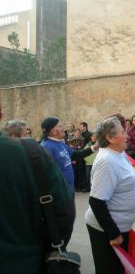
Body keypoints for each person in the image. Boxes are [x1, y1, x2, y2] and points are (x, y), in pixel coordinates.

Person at [0, 105, 75, 274]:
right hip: (24, 262)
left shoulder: (40, 150)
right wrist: (50, 249)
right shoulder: (35, 152)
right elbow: (64, 210)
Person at [85, 117, 135, 274]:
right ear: (109, 138)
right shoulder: (106, 161)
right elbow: (96, 202)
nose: (127, 135)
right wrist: (114, 233)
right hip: (106, 230)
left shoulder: (119, 154)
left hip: (120, 226)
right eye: (123, 132)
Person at [40, 117, 97, 193]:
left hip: (68, 190)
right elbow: (45, 175)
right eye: (60, 126)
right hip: (60, 194)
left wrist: (95, 147)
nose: (63, 128)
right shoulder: (46, 147)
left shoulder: (60, 143)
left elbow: (75, 155)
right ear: (53, 131)